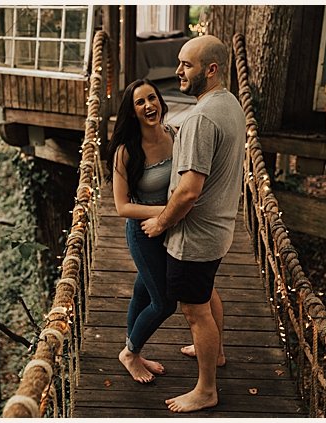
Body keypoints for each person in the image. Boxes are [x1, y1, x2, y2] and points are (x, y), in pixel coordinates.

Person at [141, 34, 244, 413]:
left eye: (186, 65)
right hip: (220, 228)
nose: (177, 71)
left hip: (196, 236)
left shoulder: (201, 118)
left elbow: (188, 191)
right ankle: (215, 354)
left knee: (194, 310)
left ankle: (206, 389)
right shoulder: (229, 103)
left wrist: (160, 223)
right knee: (205, 293)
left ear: (211, 70)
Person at [108, 78, 179, 384]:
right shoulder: (125, 151)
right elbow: (122, 207)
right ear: (133, 111)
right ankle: (130, 353)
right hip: (143, 232)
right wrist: (166, 212)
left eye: (152, 98)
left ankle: (134, 351)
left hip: (173, 229)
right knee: (164, 302)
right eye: (140, 102)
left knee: (142, 291)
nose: (149, 105)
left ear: (160, 101)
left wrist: (173, 215)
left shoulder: (174, 134)